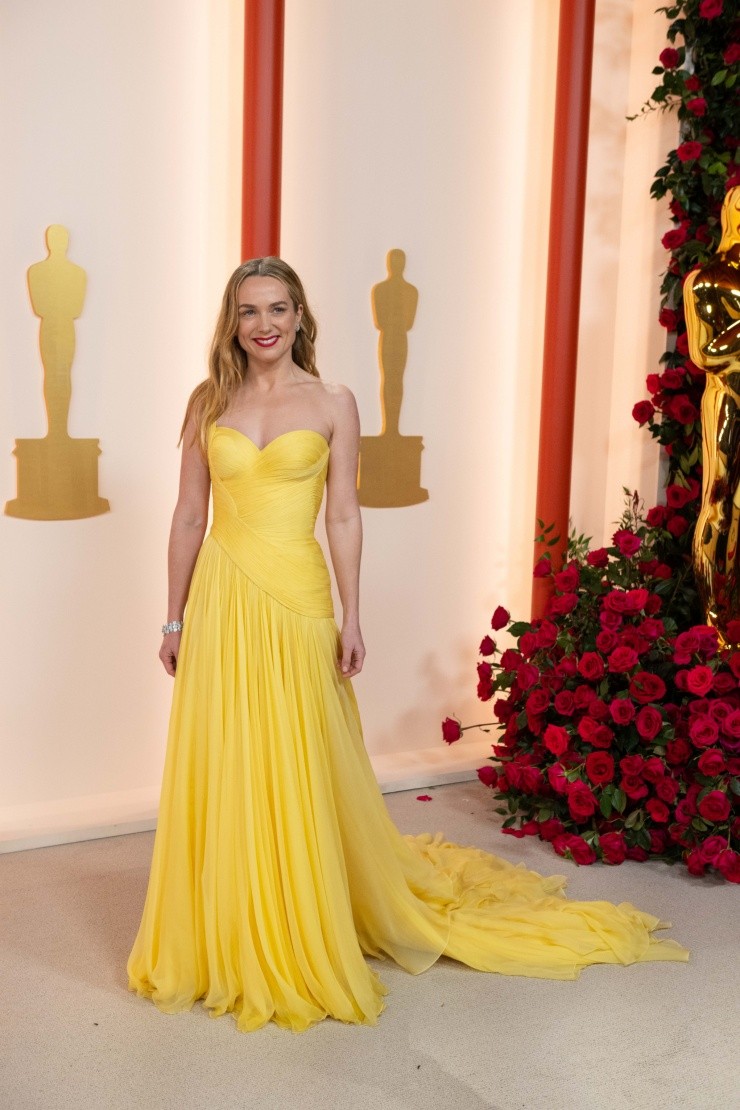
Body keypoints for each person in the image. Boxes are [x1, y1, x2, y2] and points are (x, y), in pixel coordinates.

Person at [127, 257, 688, 1034]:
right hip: (222, 596)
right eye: (249, 310)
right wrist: (173, 618)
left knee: (298, 749)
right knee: (227, 749)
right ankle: (226, 919)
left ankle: (298, 915)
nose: (264, 324)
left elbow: (343, 514)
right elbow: (190, 514)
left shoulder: (333, 401)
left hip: (295, 595)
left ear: (299, 316)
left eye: (278, 308)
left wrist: (352, 615)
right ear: (233, 321)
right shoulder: (207, 401)